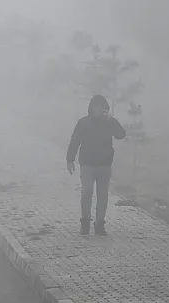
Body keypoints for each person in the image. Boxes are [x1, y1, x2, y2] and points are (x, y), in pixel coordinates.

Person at [66, 94, 126, 236]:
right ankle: (85, 222)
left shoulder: (109, 122)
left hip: (104, 164)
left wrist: (112, 121)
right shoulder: (83, 122)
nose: (99, 110)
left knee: (103, 194)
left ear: (105, 109)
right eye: (96, 107)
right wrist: (70, 159)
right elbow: (75, 141)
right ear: (91, 108)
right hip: (87, 164)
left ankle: (100, 224)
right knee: (87, 191)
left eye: (102, 107)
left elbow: (121, 134)